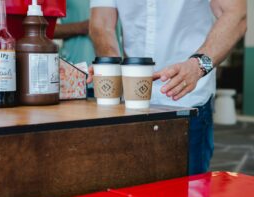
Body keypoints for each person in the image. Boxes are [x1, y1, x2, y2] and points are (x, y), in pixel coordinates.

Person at [88, 0, 247, 175]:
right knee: (131, 191)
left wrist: (198, 65)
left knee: (188, 194)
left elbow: (236, 14)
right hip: (130, 101)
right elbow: (101, 23)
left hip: (188, 99)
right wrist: (111, 65)